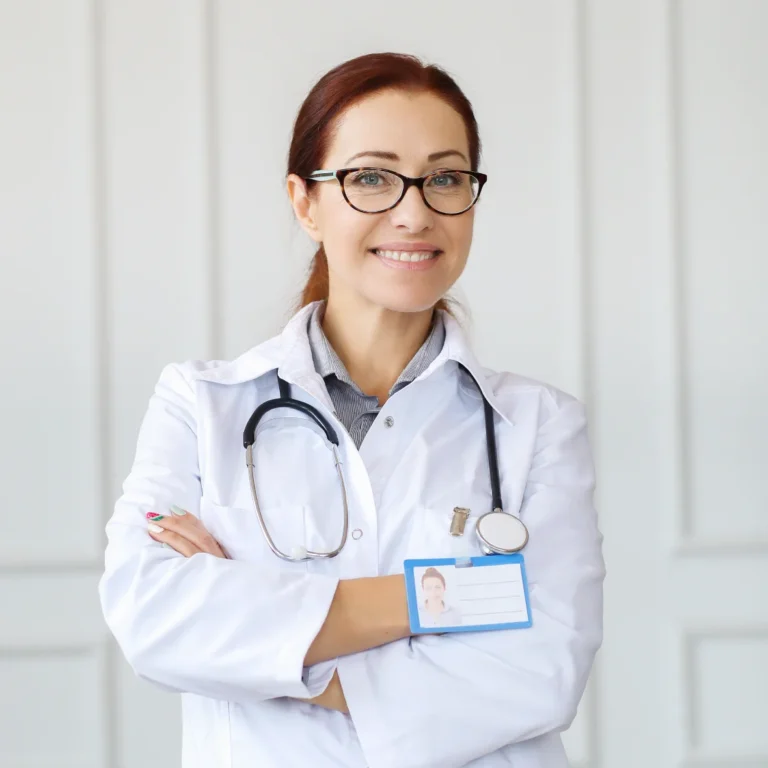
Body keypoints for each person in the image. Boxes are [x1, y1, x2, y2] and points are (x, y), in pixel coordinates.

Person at [99, 52, 605, 768]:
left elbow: (543, 673)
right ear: (305, 202)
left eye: (445, 178)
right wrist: (447, 600)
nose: (414, 213)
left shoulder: (539, 424)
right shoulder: (200, 403)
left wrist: (262, 634)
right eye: (370, 177)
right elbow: (154, 619)